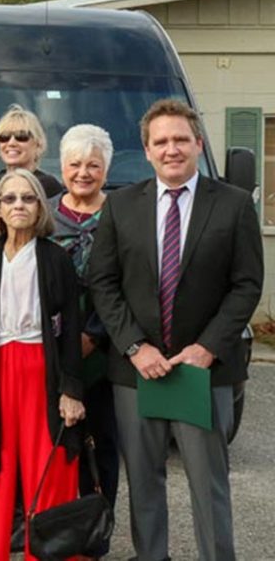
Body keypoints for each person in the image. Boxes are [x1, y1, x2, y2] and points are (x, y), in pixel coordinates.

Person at [89, 99, 263, 561]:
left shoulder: (233, 205)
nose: (172, 149)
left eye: (181, 139)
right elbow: (102, 282)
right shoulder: (121, 204)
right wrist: (133, 346)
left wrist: (207, 348)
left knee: (209, 485)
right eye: (161, 141)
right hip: (137, 372)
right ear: (146, 150)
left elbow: (247, 285)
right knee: (144, 483)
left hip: (201, 372)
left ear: (198, 144)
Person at [0, 168, 85, 560]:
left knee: (50, 470)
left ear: (39, 207)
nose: (18, 206)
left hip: (41, 372)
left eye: (27, 199)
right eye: (9, 199)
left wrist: (71, 390)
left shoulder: (55, 258)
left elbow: (71, 330)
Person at [49, 124, 119, 557]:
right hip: (54, 348)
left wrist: (94, 334)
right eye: (75, 164)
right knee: (58, 443)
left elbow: (131, 283)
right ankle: (56, 528)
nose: (83, 172)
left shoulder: (121, 214)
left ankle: (97, 532)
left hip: (105, 349)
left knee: (105, 444)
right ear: (62, 167)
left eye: (93, 165)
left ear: (106, 169)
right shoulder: (45, 213)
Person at [0, 104, 63, 241]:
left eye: (21, 136)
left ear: (38, 144)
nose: (11, 143)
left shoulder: (47, 186)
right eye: (4, 137)